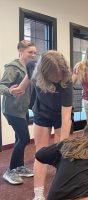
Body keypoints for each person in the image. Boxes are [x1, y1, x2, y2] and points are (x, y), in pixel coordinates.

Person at [11, 50, 74, 200]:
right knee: (41, 152)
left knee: (64, 154)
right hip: (42, 112)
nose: (59, 78)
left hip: (60, 115)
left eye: (61, 74)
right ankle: (38, 195)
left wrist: (62, 146)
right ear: (44, 73)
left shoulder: (66, 81)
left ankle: (62, 190)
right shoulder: (33, 66)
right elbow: (29, 76)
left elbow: (66, 118)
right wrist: (20, 88)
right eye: (55, 76)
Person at [0, 40, 36, 185]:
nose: (33, 55)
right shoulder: (13, 67)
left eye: (35, 52)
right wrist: (10, 90)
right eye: (30, 52)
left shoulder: (30, 68)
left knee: (18, 138)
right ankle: (10, 171)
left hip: (23, 109)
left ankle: (19, 166)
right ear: (20, 51)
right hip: (12, 110)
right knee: (24, 138)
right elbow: (1, 85)